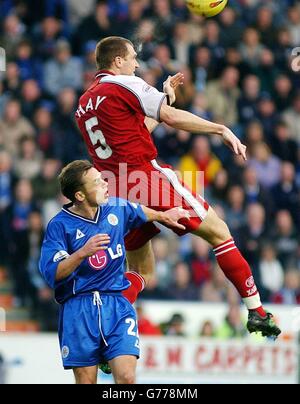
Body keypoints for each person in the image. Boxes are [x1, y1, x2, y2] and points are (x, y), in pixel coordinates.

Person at [75, 36, 281, 339]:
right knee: (219, 233)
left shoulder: (83, 104)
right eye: (132, 57)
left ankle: (107, 330)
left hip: (116, 190)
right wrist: (220, 128)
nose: (136, 63)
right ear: (117, 61)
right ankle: (257, 312)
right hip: (146, 178)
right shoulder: (124, 84)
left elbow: (137, 131)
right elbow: (170, 118)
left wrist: (164, 96)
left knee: (142, 272)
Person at [39, 160, 189, 384]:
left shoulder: (116, 207)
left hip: (116, 304)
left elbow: (139, 211)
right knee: (87, 382)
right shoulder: (59, 226)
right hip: (79, 308)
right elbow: (54, 272)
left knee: (127, 378)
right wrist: (82, 252)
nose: (105, 184)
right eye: (97, 182)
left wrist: (164, 216)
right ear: (80, 196)